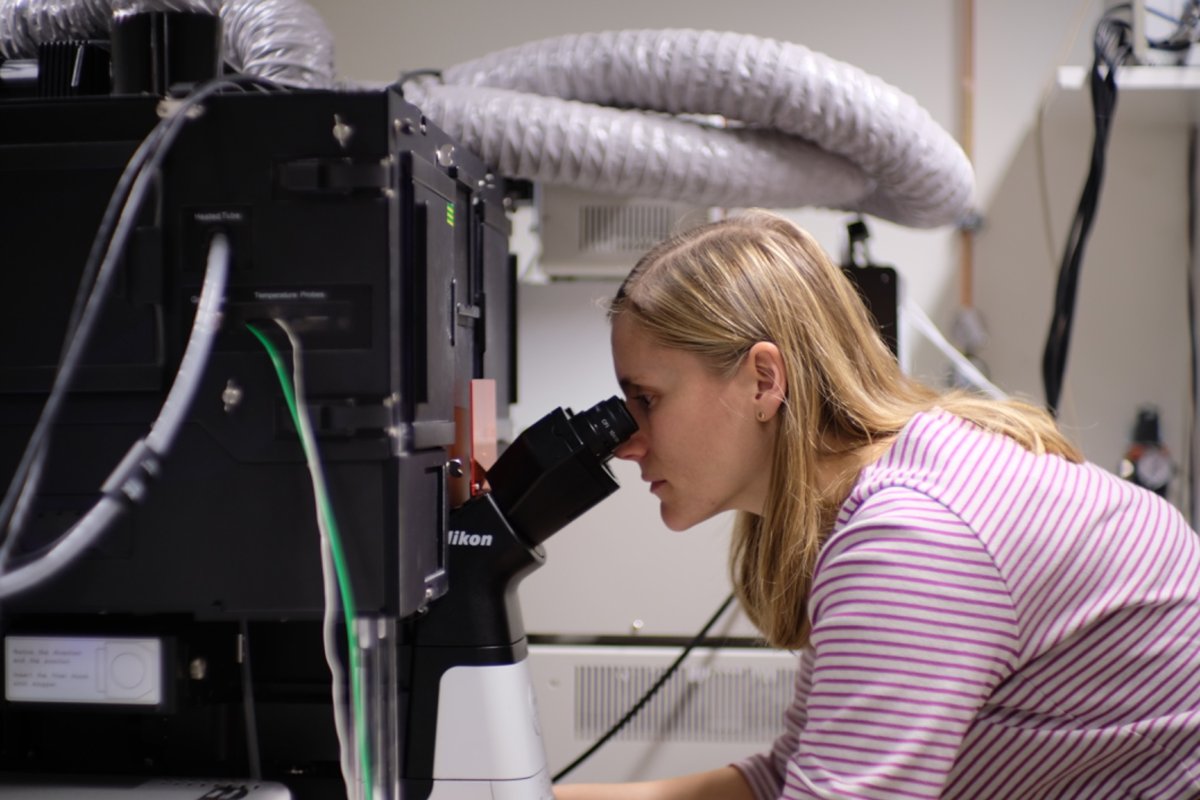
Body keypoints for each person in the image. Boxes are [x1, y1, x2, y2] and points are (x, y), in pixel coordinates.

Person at [557, 209, 1200, 799]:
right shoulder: (892, 490)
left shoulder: (908, 541)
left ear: (763, 380)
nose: (627, 443)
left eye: (646, 399)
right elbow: (789, 776)